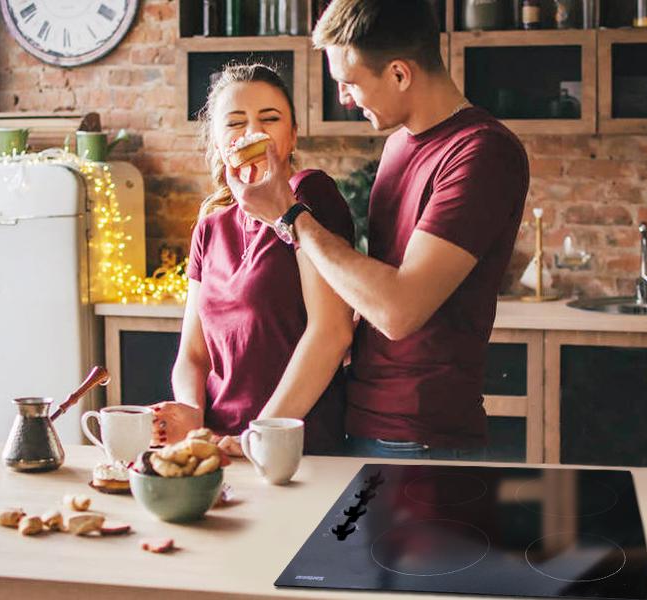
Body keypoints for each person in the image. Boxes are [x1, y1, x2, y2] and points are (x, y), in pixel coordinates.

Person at [227, 0, 530, 460]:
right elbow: (369, 290)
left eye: (349, 83)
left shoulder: (481, 153)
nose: (344, 98)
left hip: (422, 434)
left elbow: (398, 310)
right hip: (364, 416)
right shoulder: (396, 148)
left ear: (399, 74)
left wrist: (289, 217)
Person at [151, 63, 355, 456]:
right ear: (216, 139)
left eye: (270, 119)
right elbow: (192, 355)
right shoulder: (210, 227)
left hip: (293, 448)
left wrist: (259, 437)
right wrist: (192, 413)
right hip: (218, 447)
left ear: (293, 134)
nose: (252, 133)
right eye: (235, 122)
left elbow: (331, 333)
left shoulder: (311, 197)